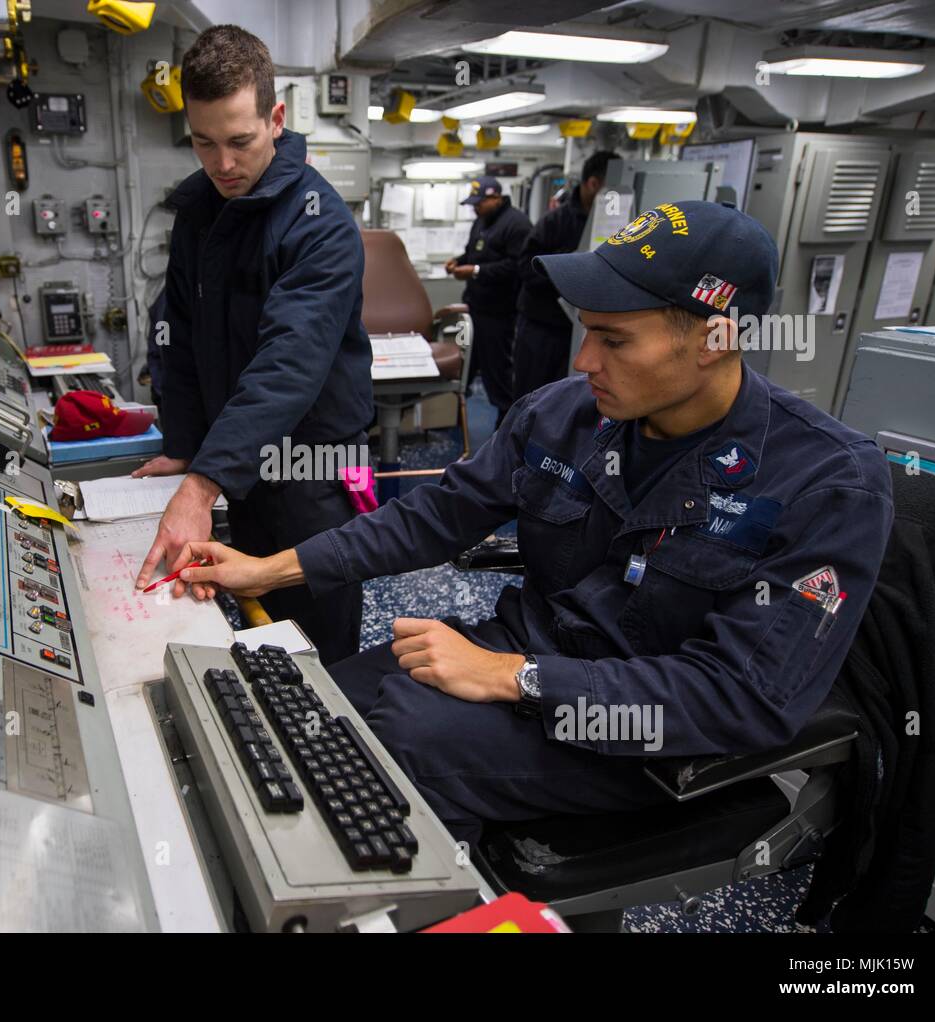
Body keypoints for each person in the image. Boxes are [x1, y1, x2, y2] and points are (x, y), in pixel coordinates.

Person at [166, 200, 895, 845]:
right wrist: (268, 569)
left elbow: (745, 698)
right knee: (306, 702)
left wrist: (518, 678)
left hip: (643, 729)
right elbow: (433, 517)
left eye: (614, 340)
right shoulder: (564, 413)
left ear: (716, 339)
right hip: (528, 648)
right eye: (586, 333)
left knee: (406, 740)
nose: (585, 360)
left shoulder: (829, 482)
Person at [132, 25, 373, 664]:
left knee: (314, 636)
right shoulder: (199, 213)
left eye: (240, 141)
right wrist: (187, 449)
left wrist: (202, 485)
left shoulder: (322, 226)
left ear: (276, 118)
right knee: (243, 620)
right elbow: (176, 338)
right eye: (203, 143)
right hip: (236, 457)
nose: (223, 164)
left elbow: (287, 366)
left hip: (311, 467)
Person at [512, 149, 618, 400]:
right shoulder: (555, 222)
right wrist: (566, 276)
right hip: (544, 327)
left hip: (582, 329)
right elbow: (526, 267)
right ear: (593, 184)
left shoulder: (617, 223)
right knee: (531, 395)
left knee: (570, 398)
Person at [445, 176, 531, 424]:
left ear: (495, 197)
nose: (475, 208)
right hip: (474, 308)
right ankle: (457, 424)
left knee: (497, 374)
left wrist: (475, 271)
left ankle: (505, 431)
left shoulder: (517, 224)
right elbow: (474, 252)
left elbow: (517, 267)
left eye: (479, 202)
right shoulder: (482, 221)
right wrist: (459, 261)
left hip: (498, 314)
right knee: (465, 367)